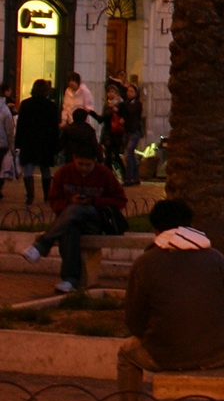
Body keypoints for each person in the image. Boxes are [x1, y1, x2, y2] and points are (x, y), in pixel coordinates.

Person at [117, 197, 224, 401]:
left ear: (156, 229)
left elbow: (134, 321)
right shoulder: (217, 259)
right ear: (189, 225)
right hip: (214, 355)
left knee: (127, 353)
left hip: (164, 355)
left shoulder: (145, 263)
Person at [23, 128, 127, 292]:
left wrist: (93, 201)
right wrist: (69, 201)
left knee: (76, 210)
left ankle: (42, 245)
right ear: (74, 159)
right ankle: (70, 280)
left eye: (88, 165)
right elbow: (54, 200)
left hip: (96, 219)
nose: (84, 168)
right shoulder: (64, 173)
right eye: (80, 164)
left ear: (95, 162)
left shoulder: (104, 174)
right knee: (70, 229)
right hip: (69, 219)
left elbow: (120, 200)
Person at [15, 77, 58, 203]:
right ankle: (46, 195)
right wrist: (55, 145)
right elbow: (54, 128)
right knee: (45, 169)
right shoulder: (51, 106)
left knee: (28, 168)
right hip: (45, 141)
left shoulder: (25, 104)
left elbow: (20, 125)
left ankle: (30, 196)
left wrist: (18, 142)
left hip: (29, 140)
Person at [122, 83, 145, 186]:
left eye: (131, 91)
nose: (129, 93)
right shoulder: (126, 103)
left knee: (129, 152)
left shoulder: (137, 104)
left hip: (135, 131)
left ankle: (129, 178)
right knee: (131, 154)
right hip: (127, 130)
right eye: (128, 91)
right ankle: (135, 177)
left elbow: (132, 113)